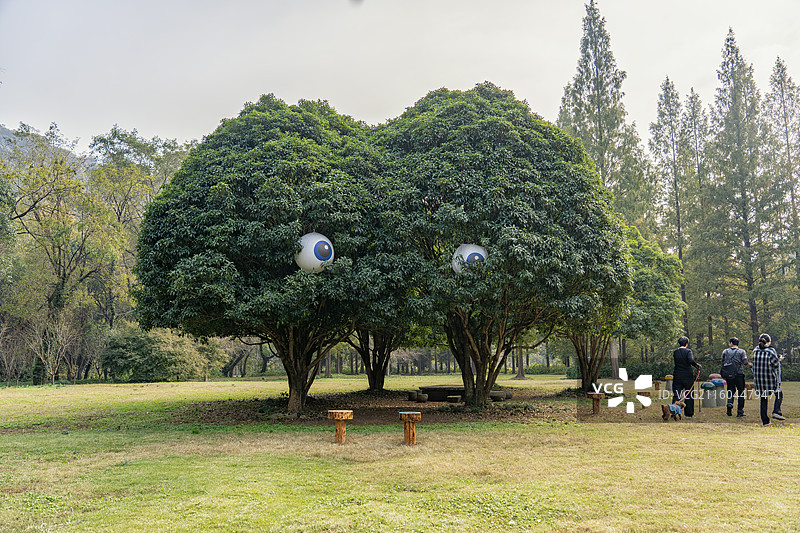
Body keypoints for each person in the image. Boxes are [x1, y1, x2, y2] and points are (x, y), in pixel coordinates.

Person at [751, 333, 784, 426]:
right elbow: (775, 364)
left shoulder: (755, 351)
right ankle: (776, 411)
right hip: (770, 379)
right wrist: (780, 359)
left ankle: (765, 421)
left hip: (759, 381)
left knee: (763, 399)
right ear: (769, 342)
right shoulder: (770, 351)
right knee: (779, 394)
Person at [721, 337, 751, 417]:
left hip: (729, 375)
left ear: (731, 343)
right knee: (741, 392)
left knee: (730, 390)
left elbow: (722, 362)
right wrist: (751, 365)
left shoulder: (725, 351)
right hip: (739, 374)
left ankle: (729, 406)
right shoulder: (742, 351)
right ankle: (740, 411)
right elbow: (745, 362)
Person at [673, 336, 701, 418]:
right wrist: (697, 365)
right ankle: (689, 413)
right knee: (689, 394)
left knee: (677, 394)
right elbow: (690, 360)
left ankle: (674, 411)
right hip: (687, 375)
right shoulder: (688, 351)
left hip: (677, 374)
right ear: (686, 344)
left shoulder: (675, 352)